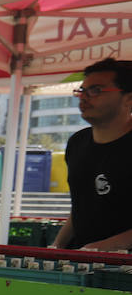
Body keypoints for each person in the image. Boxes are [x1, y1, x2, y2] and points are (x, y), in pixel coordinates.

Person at [51, 58, 132, 252]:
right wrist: (56, 246)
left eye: (96, 90)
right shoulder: (77, 142)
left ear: (129, 99)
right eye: (81, 91)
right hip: (81, 265)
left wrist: (99, 249)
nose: (84, 97)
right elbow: (81, 208)